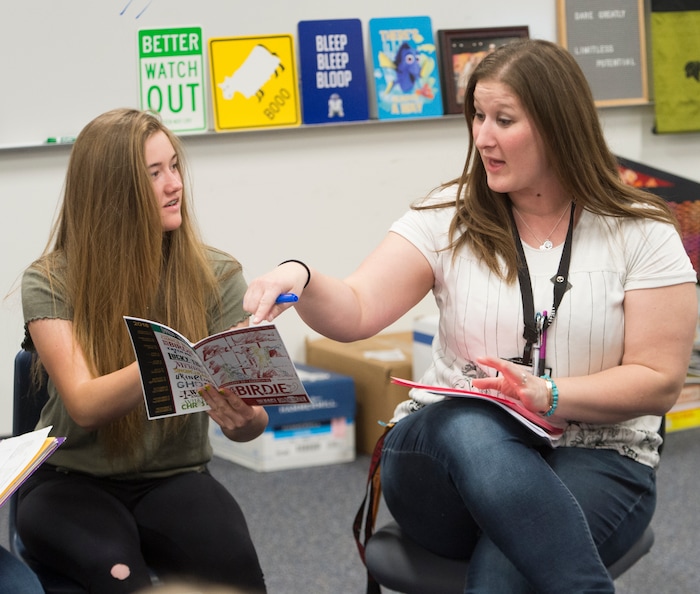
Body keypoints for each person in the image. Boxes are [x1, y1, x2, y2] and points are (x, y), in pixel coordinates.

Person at [244, 39, 697, 593]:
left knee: (504, 576)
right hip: (446, 467)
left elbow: (658, 381)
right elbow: (358, 308)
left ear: (559, 125)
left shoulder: (642, 231)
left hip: (598, 452)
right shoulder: (446, 216)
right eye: (478, 116)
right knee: (468, 421)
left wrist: (547, 395)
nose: (482, 136)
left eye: (503, 119)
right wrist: (302, 276)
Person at [19, 108, 268, 594]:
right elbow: (86, 406)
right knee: (121, 579)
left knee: (239, 577)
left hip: (176, 476)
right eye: (153, 174)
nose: (173, 184)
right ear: (113, 191)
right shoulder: (50, 280)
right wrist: (171, 356)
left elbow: (251, 423)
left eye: (174, 167)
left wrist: (246, 421)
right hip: (71, 481)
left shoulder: (216, 274)